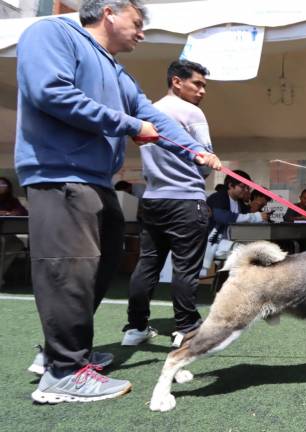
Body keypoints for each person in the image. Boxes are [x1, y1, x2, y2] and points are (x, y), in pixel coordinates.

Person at [15, 0, 221, 404]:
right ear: (109, 11)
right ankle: (62, 373)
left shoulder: (115, 69)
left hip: (98, 181)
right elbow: (51, 93)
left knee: (98, 269)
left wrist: (193, 150)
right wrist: (130, 125)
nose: (142, 33)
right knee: (69, 272)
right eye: (137, 22)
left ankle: (63, 353)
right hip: (60, 174)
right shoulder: (51, 33)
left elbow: (152, 116)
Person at [121, 59, 216, 349]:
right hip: (186, 200)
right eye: (197, 83)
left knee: (147, 264)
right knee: (185, 268)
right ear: (177, 81)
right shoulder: (192, 112)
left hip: (152, 200)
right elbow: (205, 162)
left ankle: (136, 327)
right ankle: (186, 328)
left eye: (204, 86)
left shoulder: (148, 114)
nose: (202, 91)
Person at [0, 177, 28, 286]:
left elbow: (23, 212)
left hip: (8, 235)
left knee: (17, 244)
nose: (1, 187)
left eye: (3, 185)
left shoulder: (13, 201)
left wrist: (9, 213)